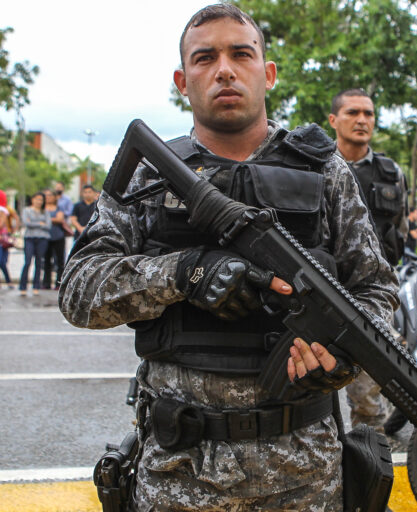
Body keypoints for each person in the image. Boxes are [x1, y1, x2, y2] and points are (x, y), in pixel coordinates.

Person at [58, 5, 398, 511]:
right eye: (204, 58)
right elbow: (79, 291)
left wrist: (342, 358)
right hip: (179, 474)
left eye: (242, 54)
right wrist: (183, 272)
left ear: (268, 72)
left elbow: (377, 290)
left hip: (305, 474)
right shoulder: (149, 175)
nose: (224, 69)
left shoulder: (324, 168)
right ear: (182, 79)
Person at [327, 88, 408, 431]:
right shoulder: (314, 165)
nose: (362, 120)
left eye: (369, 114)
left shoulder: (392, 174)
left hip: (371, 297)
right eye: (353, 113)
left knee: (369, 395)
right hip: (326, 292)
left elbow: (399, 229)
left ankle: (369, 461)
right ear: (334, 120)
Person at [19, 191, 51, 296]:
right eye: (37, 199)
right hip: (29, 238)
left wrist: (34, 223)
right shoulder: (26, 210)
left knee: (38, 262)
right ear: (32, 199)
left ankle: (36, 285)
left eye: (41, 200)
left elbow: (48, 226)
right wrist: (40, 223)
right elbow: (26, 223)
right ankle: (23, 286)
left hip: (42, 239)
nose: (39, 201)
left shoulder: (45, 212)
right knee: (27, 261)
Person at [42, 189, 67, 289]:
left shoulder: (59, 207)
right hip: (45, 237)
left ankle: (58, 283)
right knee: (46, 261)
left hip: (58, 236)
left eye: (50, 195)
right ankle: (46, 283)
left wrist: (45, 221)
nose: (48, 197)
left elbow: (60, 219)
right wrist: (53, 220)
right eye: (46, 195)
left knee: (60, 261)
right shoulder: (42, 208)